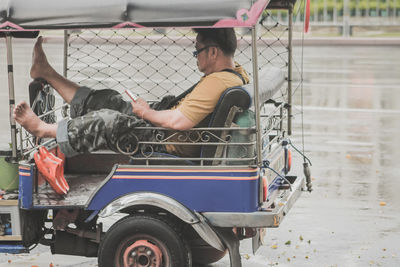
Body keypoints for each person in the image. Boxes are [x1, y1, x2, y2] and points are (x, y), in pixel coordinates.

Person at [14, 28, 250, 158]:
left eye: (197, 51)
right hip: (161, 130)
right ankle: (46, 72)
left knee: (109, 120)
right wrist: (147, 112)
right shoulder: (235, 73)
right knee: (110, 99)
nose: (196, 56)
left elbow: (179, 121)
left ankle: (42, 129)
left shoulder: (218, 81)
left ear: (213, 53)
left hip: (161, 141)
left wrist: (146, 113)